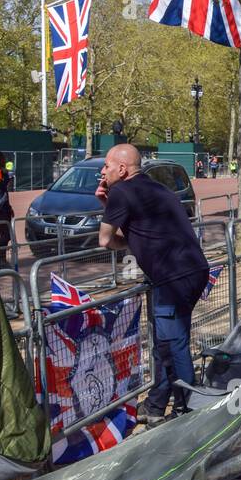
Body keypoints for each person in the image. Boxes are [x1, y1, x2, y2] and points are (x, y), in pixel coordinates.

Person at [97, 144, 209, 425]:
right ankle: (157, 403)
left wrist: (109, 207)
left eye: (107, 166)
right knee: (163, 342)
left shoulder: (121, 191)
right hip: (194, 271)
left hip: (172, 279)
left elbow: (105, 239)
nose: (102, 171)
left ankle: (189, 411)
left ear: (122, 170)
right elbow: (139, 226)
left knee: (174, 344)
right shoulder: (157, 188)